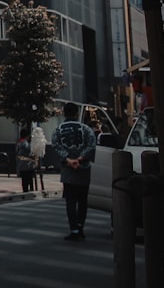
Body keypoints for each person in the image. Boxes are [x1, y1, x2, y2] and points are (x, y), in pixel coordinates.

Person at [51, 102, 97, 240]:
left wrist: (68, 160)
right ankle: (80, 227)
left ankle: (74, 229)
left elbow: (56, 145)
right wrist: (81, 158)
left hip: (68, 170)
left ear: (64, 113)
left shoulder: (58, 129)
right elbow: (92, 145)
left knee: (70, 201)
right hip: (83, 169)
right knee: (82, 200)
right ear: (77, 113)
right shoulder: (86, 129)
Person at [15, 126, 36, 193]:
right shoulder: (25, 144)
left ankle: (25, 191)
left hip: (21, 165)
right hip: (27, 165)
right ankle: (28, 191)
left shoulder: (18, 143)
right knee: (29, 179)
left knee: (24, 181)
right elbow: (31, 152)